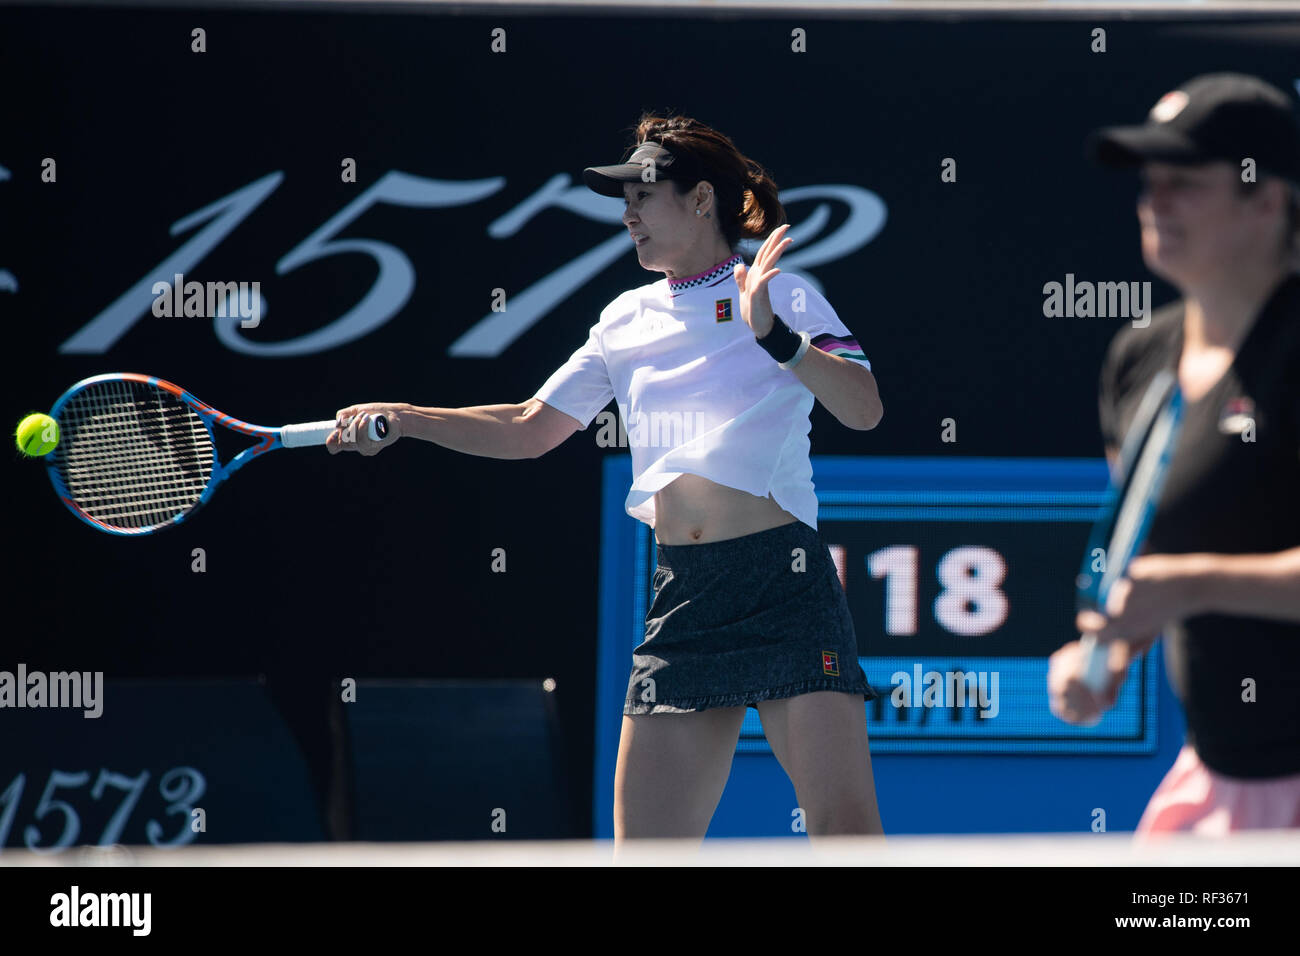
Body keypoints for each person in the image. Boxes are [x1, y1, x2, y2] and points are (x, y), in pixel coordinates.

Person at [326, 113, 885, 847]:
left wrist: (775, 338)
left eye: (643, 197)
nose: (629, 217)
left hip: (785, 585)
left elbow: (865, 408)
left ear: (701, 200)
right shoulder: (624, 318)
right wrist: (406, 417)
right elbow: (530, 428)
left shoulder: (782, 293)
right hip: (683, 596)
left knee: (847, 836)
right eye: (623, 204)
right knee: (645, 852)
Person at [1048, 73, 1300, 837]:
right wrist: (1115, 649)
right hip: (1220, 782)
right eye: (1149, 181)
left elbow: (1180, 573)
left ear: (1268, 200)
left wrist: (1191, 584)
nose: (1155, 201)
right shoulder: (1139, 357)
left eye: (1185, 182)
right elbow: (1151, 547)